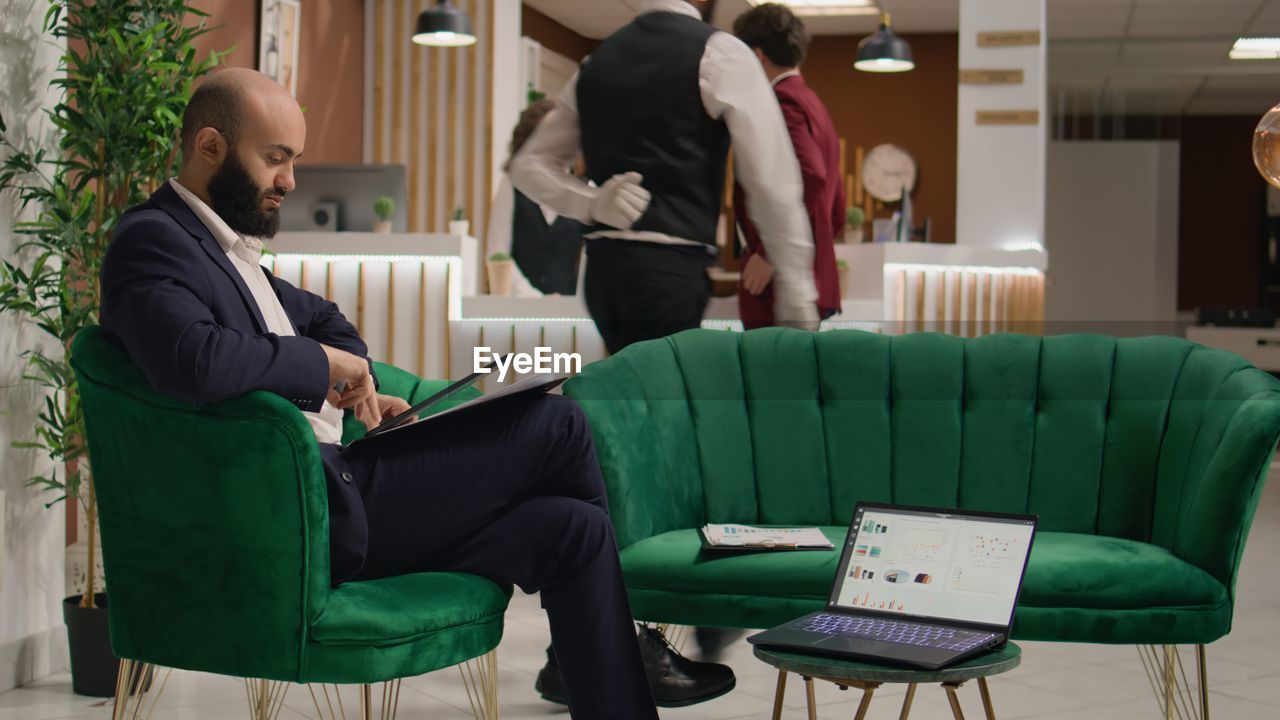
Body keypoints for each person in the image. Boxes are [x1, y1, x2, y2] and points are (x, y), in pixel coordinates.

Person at [98, 68, 657, 720]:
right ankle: (629, 642)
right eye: (274, 159)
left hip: (346, 495)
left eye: (294, 161)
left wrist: (355, 377)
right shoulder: (152, 240)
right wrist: (321, 363)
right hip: (302, 512)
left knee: (575, 528)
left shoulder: (229, 253)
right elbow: (190, 360)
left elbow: (324, 316)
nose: (290, 181)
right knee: (557, 426)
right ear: (211, 147)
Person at [509, 0, 820, 357]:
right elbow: (770, 180)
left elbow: (528, 166)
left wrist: (593, 203)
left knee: (625, 399)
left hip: (603, 274)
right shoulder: (721, 54)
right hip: (670, 271)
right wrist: (797, 291)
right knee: (665, 402)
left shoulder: (596, 63)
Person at [732, 3, 843, 329]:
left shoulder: (781, 101)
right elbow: (835, 206)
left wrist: (770, 254)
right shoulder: (813, 103)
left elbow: (812, 177)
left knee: (770, 376)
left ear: (756, 55)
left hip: (778, 282)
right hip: (807, 273)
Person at [486, 99, 585, 297]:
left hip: (568, 314)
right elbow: (497, 253)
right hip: (518, 312)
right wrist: (533, 298)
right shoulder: (511, 184)